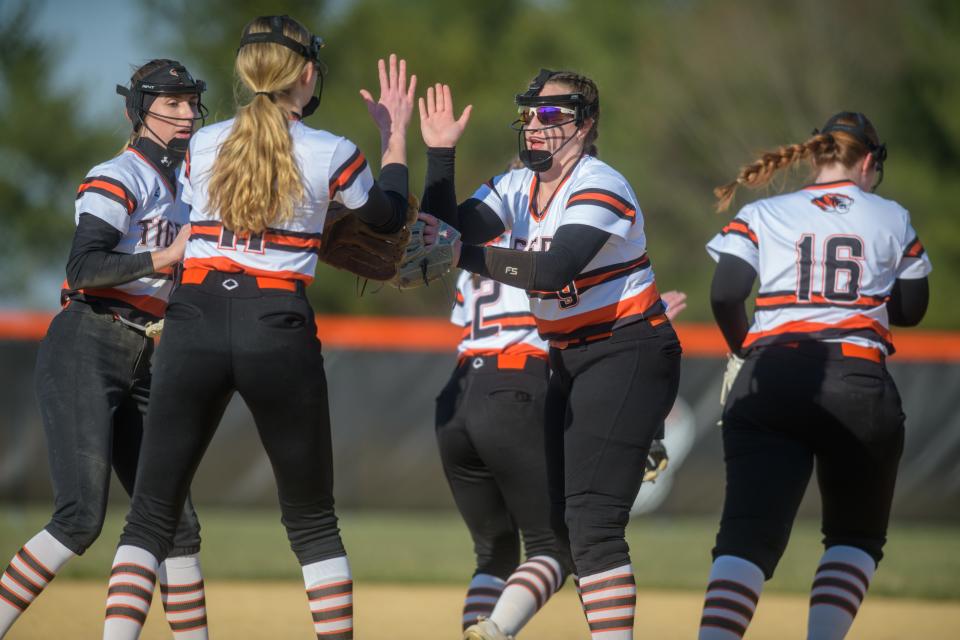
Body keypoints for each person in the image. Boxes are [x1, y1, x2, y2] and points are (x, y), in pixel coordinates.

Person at [98, 16, 415, 640]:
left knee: (149, 517)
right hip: (277, 322)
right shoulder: (333, 151)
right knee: (313, 522)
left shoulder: (204, 142)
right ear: (304, 73)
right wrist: (395, 135)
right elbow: (387, 220)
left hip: (194, 316)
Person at [419, 70, 682, 640]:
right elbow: (442, 231)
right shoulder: (517, 187)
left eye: (551, 116)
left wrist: (454, 251)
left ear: (585, 125)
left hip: (626, 347)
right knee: (568, 525)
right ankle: (496, 630)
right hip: (568, 356)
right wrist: (440, 155)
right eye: (530, 114)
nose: (535, 127)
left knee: (592, 526)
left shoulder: (600, 182)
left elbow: (551, 269)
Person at [699, 112, 931, 640]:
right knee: (854, 536)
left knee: (746, 537)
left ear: (816, 154)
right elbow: (914, 308)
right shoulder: (891, 216)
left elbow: (725, 292)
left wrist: (745, 353)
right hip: (858, 380)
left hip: (773, 373)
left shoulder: (765, 212)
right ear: (868, 161)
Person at [0, 60, 209, 639]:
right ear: (137, 110)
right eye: (171, 103)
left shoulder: (189, 184)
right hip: (87, 343)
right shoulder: (121, 173)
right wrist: (168, 257)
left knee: (176, 524)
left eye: (190, 101)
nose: (186, 113)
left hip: (146, 353)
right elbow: (84, 266)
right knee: (79, 518)